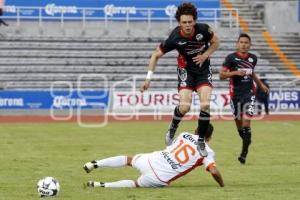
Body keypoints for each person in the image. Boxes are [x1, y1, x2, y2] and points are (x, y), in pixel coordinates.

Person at [140, 2, 219, 157]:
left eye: (190, 22)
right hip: (186, 71)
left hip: (203, 70)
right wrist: (148, 78)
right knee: (184, 107)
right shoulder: (175, 37)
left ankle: (201, 140)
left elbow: (216, 42)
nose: (188, 25)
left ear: (194, 21)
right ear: (179, 23)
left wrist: (205, 55)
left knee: (205, 104)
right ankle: (173, 127)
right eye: (184, 22)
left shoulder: (204, 29)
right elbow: (155, 55)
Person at [83, 124, 224, 188]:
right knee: (136, 184)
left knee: (128, 159)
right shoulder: (207, 151)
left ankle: (95, 163)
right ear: (209, 137)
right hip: (160, 177)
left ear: (196, 129)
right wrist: (221, 184)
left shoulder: (185, 134)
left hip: (153, 159)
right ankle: (99, 185)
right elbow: (213, 170)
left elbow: (171, 146)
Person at [219, 33, 269, 164]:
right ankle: (247, 140)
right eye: (241, 42)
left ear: (250, 45)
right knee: (239, 124)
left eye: (246, 42)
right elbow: (221, 75)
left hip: (249, 93)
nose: (244, 44)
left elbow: (252, 73)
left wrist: (260, 84)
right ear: (237, 44)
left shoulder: (253, 58)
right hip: (235, 95)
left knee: (246, 122)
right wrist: (235, 73)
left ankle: (244, 153)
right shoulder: (230, 58)